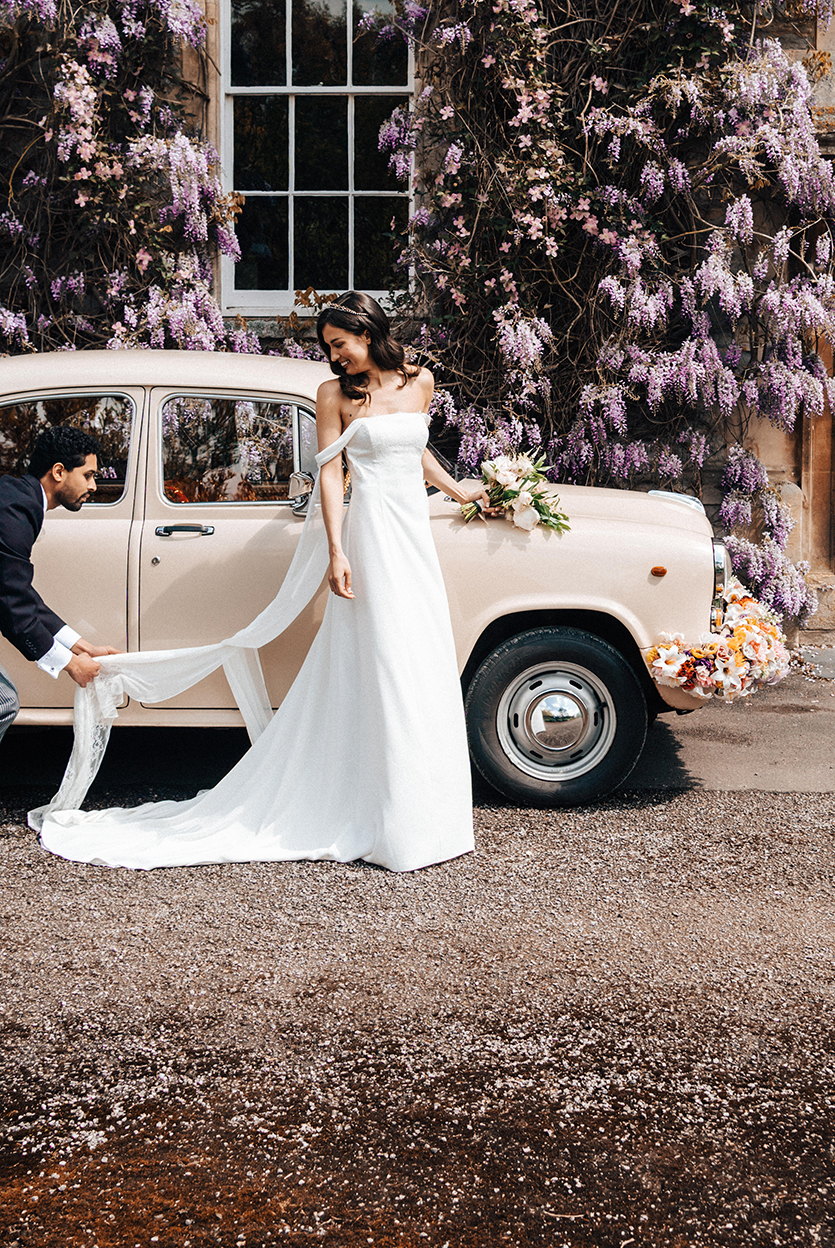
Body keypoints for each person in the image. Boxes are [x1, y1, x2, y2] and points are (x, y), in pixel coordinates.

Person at [36, 295, 491, 872]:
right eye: (327, 347)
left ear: (367, 331)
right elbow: (332, 471)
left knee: (420, 658)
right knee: (383, 661)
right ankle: (382, 811)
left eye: (339, 344)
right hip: (371, 535)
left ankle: (425, 814)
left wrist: (458, 492)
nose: (335, 357)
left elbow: (415, 449)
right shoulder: (333, 396)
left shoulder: (419, 379)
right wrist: (337, 548)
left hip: (414, 538)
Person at [0, 426, 119, 748]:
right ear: (58, 472)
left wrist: (83, 648)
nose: (94, 486)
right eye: (89, 475)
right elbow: (11, 601)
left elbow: (17, 592)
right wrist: (69, 664)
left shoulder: (18, 500)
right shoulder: (14, 511)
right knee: (3, 704)